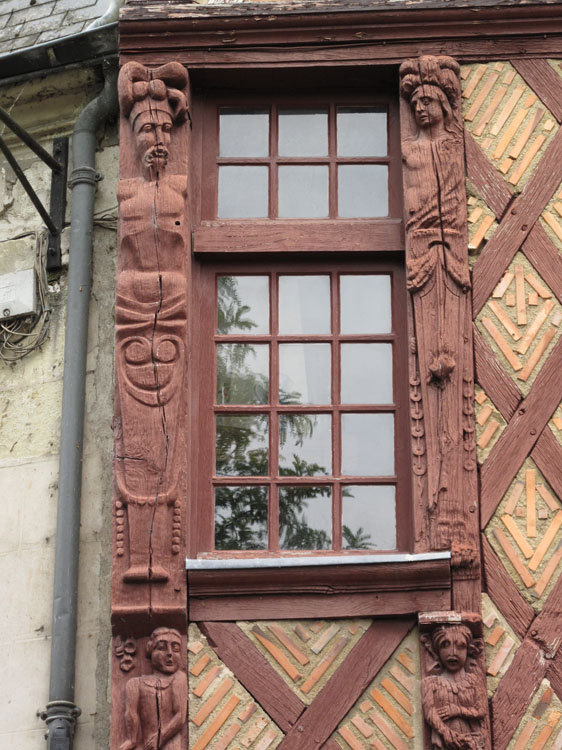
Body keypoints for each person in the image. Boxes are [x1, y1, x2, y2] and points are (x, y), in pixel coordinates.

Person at [120, 628, 187, 750]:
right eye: (162, 647)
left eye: (176, 649)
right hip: (145, 744)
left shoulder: (179, 678)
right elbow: (131, 713)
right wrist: (132, 740)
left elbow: (180, 716)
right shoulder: (135, 683)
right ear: (151, 652)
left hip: (169, 744)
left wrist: (160, 737)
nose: (170, 653)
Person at [421, 624, 487, 750]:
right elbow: (430, 713)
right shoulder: (430, 683)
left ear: (468, 649)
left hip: (472, 741)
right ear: (436, 650)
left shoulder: (474, 681)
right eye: (445, 645)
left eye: (461, 646)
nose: (453, 652)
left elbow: (481, 710)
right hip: (445, 742)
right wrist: (446, 733)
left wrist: (457, 710)